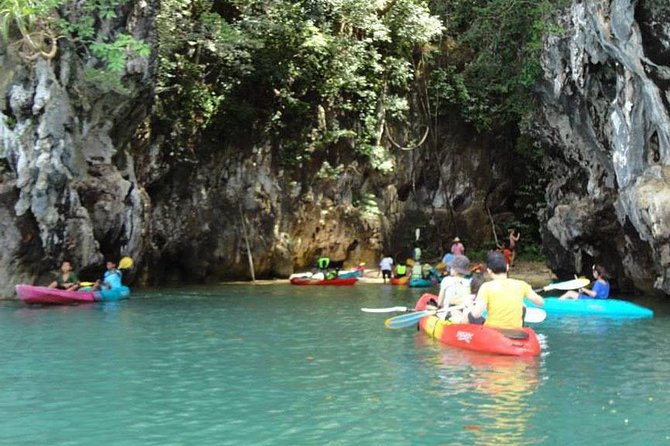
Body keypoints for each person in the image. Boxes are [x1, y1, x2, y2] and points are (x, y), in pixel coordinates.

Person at [469, 251, 544, 329]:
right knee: (523, 307)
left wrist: (469, 304)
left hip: (493, 332)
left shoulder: (486, 287)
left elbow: (476, 314)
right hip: (516, 331)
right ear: (507, 267)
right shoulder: (521, 284)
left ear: (489, 271)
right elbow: (540, 302)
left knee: (469, 315)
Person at [435, 255, 472, 323]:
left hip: (449, 313)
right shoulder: (468, 282)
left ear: (455, 270)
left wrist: (438, 307)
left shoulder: (446, 280)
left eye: (451, 268)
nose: (450, 269)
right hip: (464, 312)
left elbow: (440, 303)